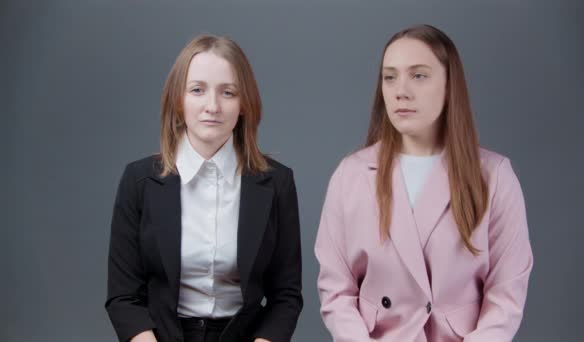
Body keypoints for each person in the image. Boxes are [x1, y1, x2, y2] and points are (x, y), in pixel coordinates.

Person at [315, 24, 533, 341]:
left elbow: (507, 291)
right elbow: (336, 289)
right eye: (390, 77)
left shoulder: (495, 175)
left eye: (418, 75)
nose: (400, 90)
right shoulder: (351, 175)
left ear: (449, 85)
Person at [106, 34, 303, 342]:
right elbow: (123, 296)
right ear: (178, 100)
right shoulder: (139, 181)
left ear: (244, 105)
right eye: (197, 90)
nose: (212, 106)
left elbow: (286, 295)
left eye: (228, 92)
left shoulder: (277, 183)